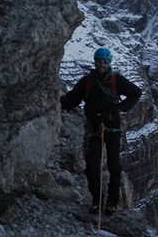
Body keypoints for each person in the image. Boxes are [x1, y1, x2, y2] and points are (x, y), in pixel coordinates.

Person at [61, 47, 142, 215]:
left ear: (109, 63)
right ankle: (97, 201)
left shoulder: (116, 80)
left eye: (104, 62)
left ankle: (112, 203)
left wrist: (119, 108)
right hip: (94, 127)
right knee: (92, 167)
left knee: (114, 166)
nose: (101, 65)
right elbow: (72, 99)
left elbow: (135, 92)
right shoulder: (87, 82)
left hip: (112, 127)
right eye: (99, 61)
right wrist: (54, 102)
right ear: (95, 62)